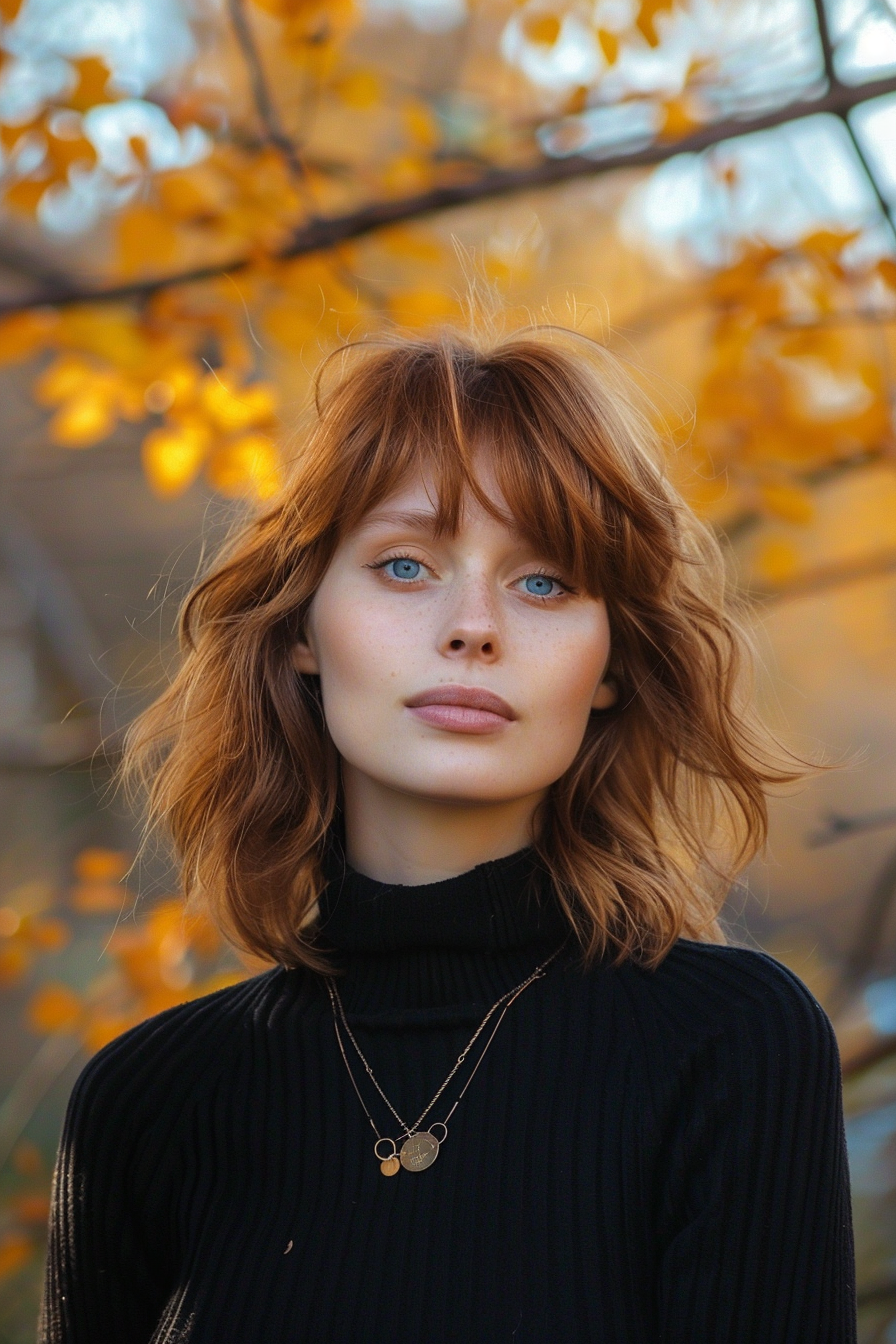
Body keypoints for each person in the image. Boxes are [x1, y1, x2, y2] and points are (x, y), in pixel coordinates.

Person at [39, 327, 856, 1343]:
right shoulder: (146, 1104)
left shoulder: (732, 1046)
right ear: (301, 628)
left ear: (606, 665)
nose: (473, 625)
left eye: (543, 581)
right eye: (404, 565)